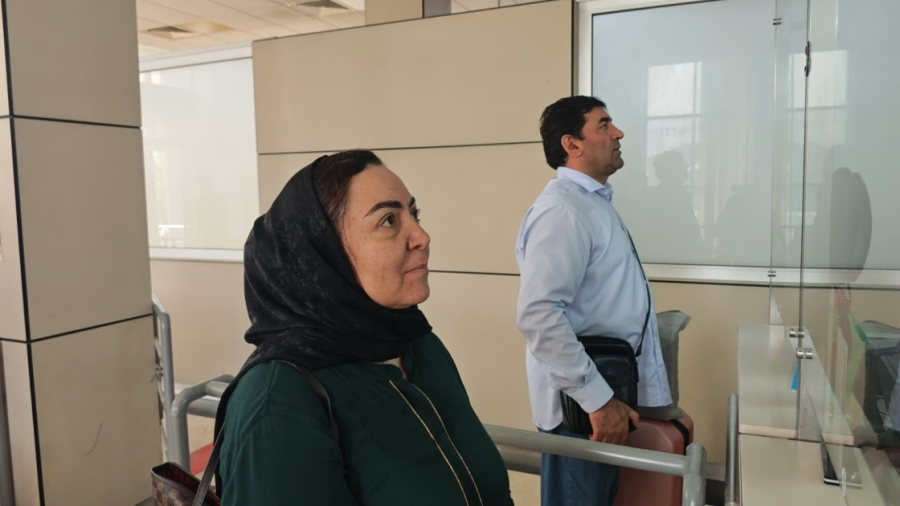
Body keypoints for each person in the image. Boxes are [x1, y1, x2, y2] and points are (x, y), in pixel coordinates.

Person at [218, 150, 513, 505]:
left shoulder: (418, 345)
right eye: (388, 221)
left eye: (414, 214)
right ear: (322, 251)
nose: (421, 236)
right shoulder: (279, 400)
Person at [515, 96, 672, 506]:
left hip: (600, 397)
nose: (618, 133)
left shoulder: (590, 204)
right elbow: (538, 315)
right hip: (583, 410)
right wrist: (598, 401)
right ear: (572, 144)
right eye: (603, 125)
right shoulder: (563, 212)